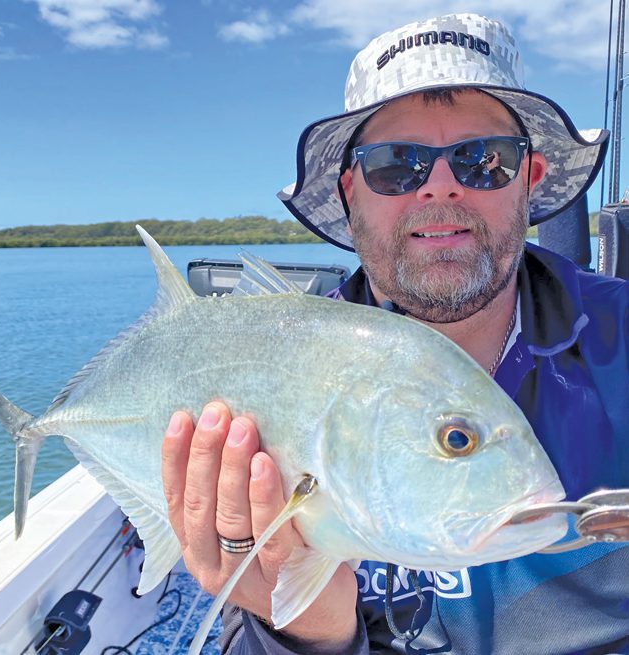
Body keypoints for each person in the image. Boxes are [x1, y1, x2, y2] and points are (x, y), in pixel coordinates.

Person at [161, 13, 629, 654]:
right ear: (351, 192)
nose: (440, 188)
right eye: (395, 164)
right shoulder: (286, 361)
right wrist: (312, 634)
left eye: (484, 161)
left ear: (532, 177)